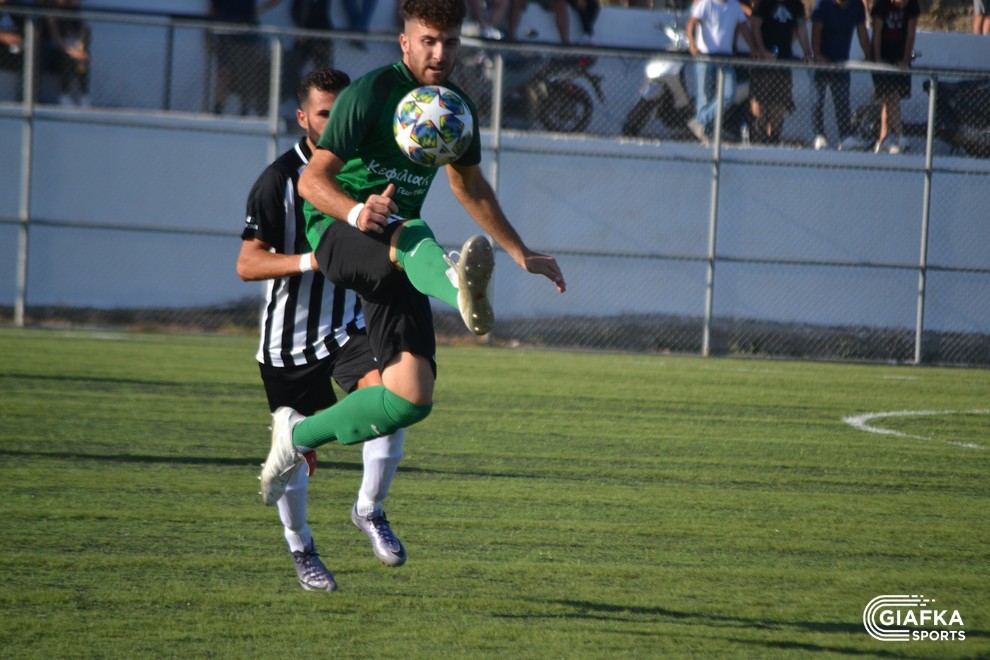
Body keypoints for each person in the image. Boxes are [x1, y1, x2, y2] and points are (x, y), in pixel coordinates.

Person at [259, 0, 566, 510]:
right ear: (405, 42)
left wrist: (519, 251)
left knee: (411, 397)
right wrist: (357, 211)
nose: (440, 53)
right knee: (411, 229)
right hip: (340, 233)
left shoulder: (455, 107)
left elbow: (469, 185)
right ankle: (456, 285)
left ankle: (297, 436)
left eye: (450, 42)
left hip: (400, 251)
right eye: (429, 41)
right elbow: (312, 181)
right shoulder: (371, 93)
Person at [238, 68, 408, 592]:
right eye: (324, 114)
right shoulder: (277, 180)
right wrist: (314, 260)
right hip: (287, 344)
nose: (334, 124)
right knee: (296, 460)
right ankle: (302, 546)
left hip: (346, 327)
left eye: (342, 113)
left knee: (390, 403)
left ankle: (369, 508)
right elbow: (247, 263)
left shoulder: (364, 168)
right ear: (302, 118)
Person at [686, 0, 761, 144]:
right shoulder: (706, 4)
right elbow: (691, 23)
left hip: (725, 58)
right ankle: (706, 133)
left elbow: (744, 28)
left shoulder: (734, 5)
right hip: (706, 57)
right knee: (705, 97)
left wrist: (753, 48)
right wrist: (692, 45)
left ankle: (699, 121)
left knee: (729, 93)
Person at [810, 0, 872, 150]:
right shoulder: (822, 4)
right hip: (821, 62)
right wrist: (817, 54)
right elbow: (816, 29)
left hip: (841, 62)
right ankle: (819, 136)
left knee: (843, 100)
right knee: (817, 99)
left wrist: (869, 55)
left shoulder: (856, 5)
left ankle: (845, 137)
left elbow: (862, 31)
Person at [748, 0, 812, 144]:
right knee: (759, 100)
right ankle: (758, 137)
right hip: (763, 64)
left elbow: (801, 28)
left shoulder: (796, 5)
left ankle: (773, 138)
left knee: (780, 103)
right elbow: (755, 25)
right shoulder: (763, 3)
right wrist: (762, 51)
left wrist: (807, 52)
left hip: (783, 61)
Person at [209, 0, 279, 115]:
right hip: (224, 33)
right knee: (223, 72)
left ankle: (245, 112)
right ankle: (217, 110)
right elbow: (212, 9)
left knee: (247, 74)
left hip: (247, 34)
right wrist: (209, 37)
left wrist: (260, 9)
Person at [869, 0, 918, 154]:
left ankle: (883, 139)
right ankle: (899, 136)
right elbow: (877, 32)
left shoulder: (911, 6)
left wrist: (905, 60)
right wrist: (877, 59)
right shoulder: (881, 5)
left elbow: (911, 34)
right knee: (891, 94)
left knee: (890, 98)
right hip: (883, 56)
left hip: (899, 57)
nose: (903, 5)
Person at [42, 0, 90, 106]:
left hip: (73, 52)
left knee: (82, 61)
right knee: (66, 58)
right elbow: (57, 40)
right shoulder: (52, 13)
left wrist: (80, 48)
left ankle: (83, 95)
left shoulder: (74, 14)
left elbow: (84, 31)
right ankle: (65, 94)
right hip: (54, 53)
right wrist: (70, 51)